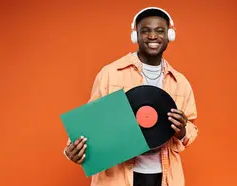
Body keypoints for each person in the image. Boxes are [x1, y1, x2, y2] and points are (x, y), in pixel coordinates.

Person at [62, 7, 199, 186]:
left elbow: (191, 129)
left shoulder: (180, 82)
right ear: (135, 36)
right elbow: (92, 119)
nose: (152, 36)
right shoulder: (111, 73)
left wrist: (182, 131)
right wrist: (71, 149)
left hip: (164, 177)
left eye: (160, 31)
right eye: (145, 31)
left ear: (169, 35)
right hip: (118, 177)